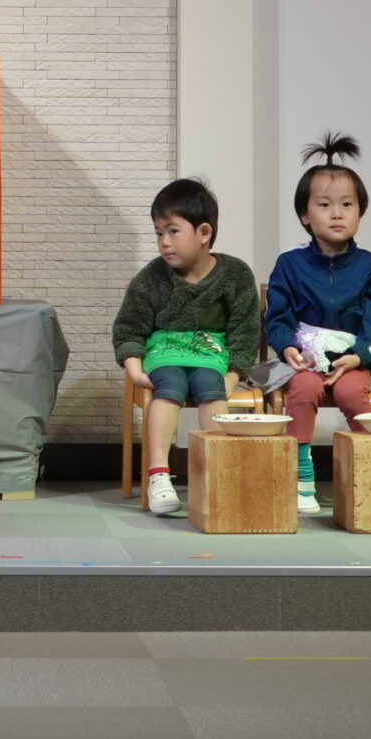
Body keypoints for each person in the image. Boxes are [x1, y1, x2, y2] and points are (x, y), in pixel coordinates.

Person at [113, 178, 263, 518]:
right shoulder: (151, 277)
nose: (164, 242)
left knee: (211, 388)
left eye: (173, 231)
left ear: (204, 232)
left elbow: (245, 330)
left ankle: (214, 473)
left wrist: (233, 373)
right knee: (169, 387)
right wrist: (133, 366)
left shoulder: (235, 275)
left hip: (210, 354)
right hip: (164, 351)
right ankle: (158, 475)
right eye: (159, 233)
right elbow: (129, 327)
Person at [261, 134, 371, 514]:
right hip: (304, 360)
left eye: (347, 205)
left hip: (351, 361)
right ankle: (302, 476)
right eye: (324, 204)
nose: (337, 214)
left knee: (351, 394)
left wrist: (359, 355)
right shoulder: (289, 264)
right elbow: (277, 316)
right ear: (305, 215)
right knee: (302, 388)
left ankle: (370, 471)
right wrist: (287, 347)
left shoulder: (370, 266)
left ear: (360, 213)